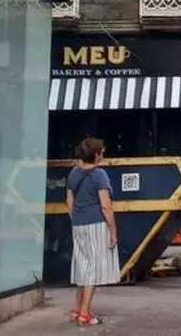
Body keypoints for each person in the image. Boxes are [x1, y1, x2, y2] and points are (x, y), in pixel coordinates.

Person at [67, 137, 120, 326]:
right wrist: (113, 231)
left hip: (78, 224)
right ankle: (84, 313)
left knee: (83, 266)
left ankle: (77, 309)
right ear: (96, 155)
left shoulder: (74, 173)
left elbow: (70, 202)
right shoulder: (99, 175)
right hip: (96, 224)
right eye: (102, 152)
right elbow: (106, 206)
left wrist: (76, 219)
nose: (103, 155)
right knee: (92, 269)